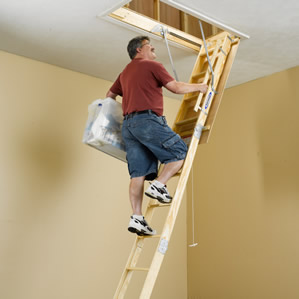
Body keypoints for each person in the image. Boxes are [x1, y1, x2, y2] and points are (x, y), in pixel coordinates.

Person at [106, 36, 207, 236]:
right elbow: (175, 88)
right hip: (147, 121)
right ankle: (159, 185)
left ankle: (137, 217)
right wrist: (200, 87)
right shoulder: (151, 65)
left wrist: (126, 112)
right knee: (179, 151)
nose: (153, 49)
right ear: (138, 50)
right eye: (149, 46)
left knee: (138, 174)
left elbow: (109, 96)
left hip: (129, 126)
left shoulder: (124, 73)